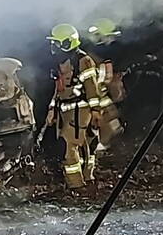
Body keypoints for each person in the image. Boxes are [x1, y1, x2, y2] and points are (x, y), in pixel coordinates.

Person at [46, 24, 110, 188]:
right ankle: (88, 179)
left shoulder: (84, 61)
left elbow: (91, 87)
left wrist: (95, 111)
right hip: (64, 110)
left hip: (80, 108)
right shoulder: (57, 64)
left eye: (60, 44)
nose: (56, 48)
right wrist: (52, 110)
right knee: (84, 144)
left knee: (68, 145)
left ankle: (76, 185)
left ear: (70, 43)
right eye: (54, 44)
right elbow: (57, 90)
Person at [85, 17, 125, 149]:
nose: (111, 40)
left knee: (111, 118)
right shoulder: (91, 58)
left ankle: (104, 142)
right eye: (108, 37)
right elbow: (101, 81)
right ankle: (97, 144)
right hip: (91, 98)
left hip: (100, 95)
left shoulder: (100, 55)